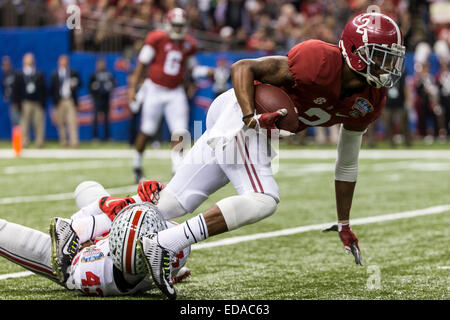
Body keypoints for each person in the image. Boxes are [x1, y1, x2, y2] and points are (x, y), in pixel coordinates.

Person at [133, 12, 406, 300]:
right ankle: (165, 243)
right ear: (354, 52)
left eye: (392, 58)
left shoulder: (371, 100)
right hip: (243, 112)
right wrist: (251, 117)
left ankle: (94, 222)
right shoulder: (320, 61)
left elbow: (347, 163)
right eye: (381, 56)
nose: (388, 66)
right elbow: (243, 68)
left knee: (172, 203)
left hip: (242, 120)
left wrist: (345, 221)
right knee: (263, 198)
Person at [0, 180, 190, 297]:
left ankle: (80, 228)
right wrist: (135, 202)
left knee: (38, 249)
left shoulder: (96, 271)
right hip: (136, 263)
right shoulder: (174, 241)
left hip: (91, 264)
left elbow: (71, 250)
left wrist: (86, 226)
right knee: (87, 187)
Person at [128, 7, 199, 181]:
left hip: (175, 91)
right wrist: (132, 88)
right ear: (168, 24)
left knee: (180, 130)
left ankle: (177, 169)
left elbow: (190, 68)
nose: (177, 29)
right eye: (174, 25)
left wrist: (191, 83)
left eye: (180, 25)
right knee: (147, 129)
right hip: (155, 89)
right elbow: (142, 65)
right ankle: (137, 164)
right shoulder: (156, 38)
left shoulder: (188, 44)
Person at [11, 52, 46, 148]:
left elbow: (43, 89)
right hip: (25, 102)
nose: (29, 60)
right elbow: (16, 89)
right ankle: (24, 142)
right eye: (27, 58)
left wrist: (43, 103)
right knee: (24, 123)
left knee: (39, 123)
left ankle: (40, 142)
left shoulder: (39, 74)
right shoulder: (19, 74)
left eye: (31, 58)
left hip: (37, 102)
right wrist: (16, 102)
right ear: (23, 60)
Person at [50, 55, 81, 148]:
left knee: (72, 121)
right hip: (59, 100)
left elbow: (79, 83)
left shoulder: (73, 72)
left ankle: (74, 141)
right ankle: (63, 141)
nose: (64, 62)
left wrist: (74, 84)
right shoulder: (55, 74)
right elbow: (52, 89)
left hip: (70, 99)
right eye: (62, 60)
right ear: (59, 62)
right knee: (60, 122)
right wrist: (55, 102)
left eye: (65, 60)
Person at [89, 58, 116, 141]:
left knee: (107, 119)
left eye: (102, 64)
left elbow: (114, 83)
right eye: (100, 64)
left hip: (106, 98)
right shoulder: (94, 74)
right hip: (97, 99)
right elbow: (90, 86)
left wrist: (110, 87)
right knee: (95, 118)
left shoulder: (109, 73)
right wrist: (94, 92)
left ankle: (107, 137)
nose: (101, 65)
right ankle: (95, 137)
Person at [1, 56, 19, 127]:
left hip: (18, 102)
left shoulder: (16, 74)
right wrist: (6, 96)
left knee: (18, 122)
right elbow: (5, 88)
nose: (5, 67)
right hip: (12, 102)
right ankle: (17, 138)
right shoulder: (4, 77)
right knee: (15, 122)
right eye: (3, 65)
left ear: (10, 65)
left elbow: (19, 89)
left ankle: (22, 138)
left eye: (7, 65)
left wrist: (17, 100)